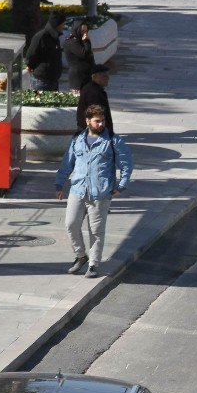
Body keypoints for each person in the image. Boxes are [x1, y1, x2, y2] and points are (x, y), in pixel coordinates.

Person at [56, 104, 133, 278]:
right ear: (88, 121)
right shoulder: (78, 139)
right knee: (70, 224)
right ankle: (81, 256)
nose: (101, 124)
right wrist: (59, 184)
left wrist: (121, 185)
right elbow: (67, 163)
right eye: (97, 121)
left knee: (96, 231)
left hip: (100, 193)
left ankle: (93, 264)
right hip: (78, 190)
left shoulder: (113, 140)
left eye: (103, 120)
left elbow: (127, 164)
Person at [26, 11, 67, 91]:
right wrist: (31, 66)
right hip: (42, 82)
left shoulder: (55, 37)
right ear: (57, 24)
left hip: (53, 81)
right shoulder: (41, 36)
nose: (64, 26)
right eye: (63, 24)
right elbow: (30, 56)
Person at [76, 63, 114, 134]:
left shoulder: (92, 88)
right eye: (105, 76)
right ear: (95, 76)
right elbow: (96, 114)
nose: (108, 78)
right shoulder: (94, 93)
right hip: (94, 131)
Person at [64, 18, 96, 94]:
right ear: (77, 30)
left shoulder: (79, 40)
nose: (85, 34)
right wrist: (86, 41)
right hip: (78, 80)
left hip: (87, 77)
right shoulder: (71, 42)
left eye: (86, 31)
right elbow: (84, 53)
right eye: (82, 31)